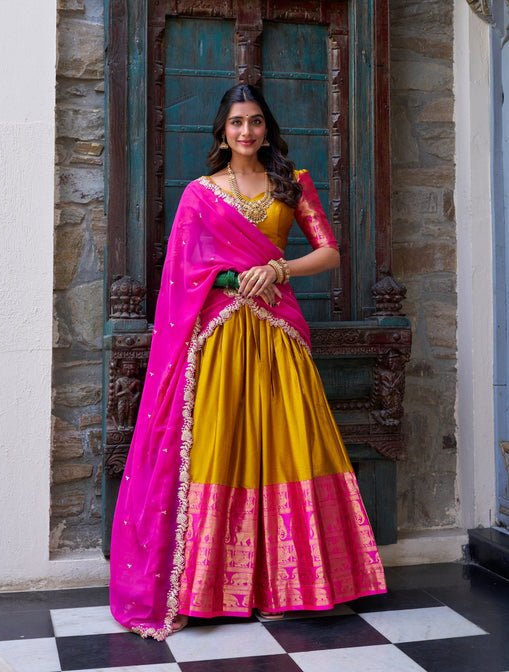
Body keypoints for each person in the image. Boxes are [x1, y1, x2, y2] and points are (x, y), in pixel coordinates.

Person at [109, 84, 386, 640]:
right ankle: (208, 589)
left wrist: (280, 269)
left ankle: (287, 585)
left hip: (278, 336)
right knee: (223, 452)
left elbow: (330, 251)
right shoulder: (200, 193)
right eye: (237, 122)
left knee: (285, 449)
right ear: (222, 131)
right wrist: (229, 277)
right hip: (219, 343)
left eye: (256, 121)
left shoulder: (293, 183)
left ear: (267, 128)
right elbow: (181, 275)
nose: (247, 132)